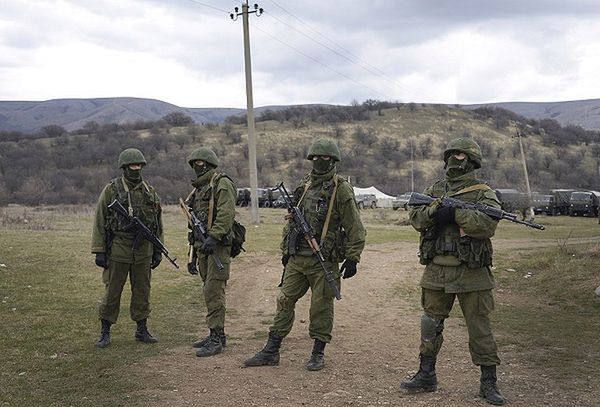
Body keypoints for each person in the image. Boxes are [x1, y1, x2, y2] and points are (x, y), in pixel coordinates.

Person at [243, 137, 366, 371]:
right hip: (298, 258)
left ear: (334, 160)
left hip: (324, 260)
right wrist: (285, 251)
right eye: (316, 157)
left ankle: (318, 353)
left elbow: (355, 227)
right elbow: (291, 222)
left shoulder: (341, 189)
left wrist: (353, 257)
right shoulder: (305, 184)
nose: (319, 161)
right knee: (284, 300)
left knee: (321, 307)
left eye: (325, 158)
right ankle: (271, 350)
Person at [402, 138, 505, 405]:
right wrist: (437, 209)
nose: (454, 160)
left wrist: (457, 214)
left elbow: (485, 226)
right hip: (437, 269)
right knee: (430, 324)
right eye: (451, 155)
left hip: (472, 271)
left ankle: (488, 382)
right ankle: (426, 374)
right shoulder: (434, 189)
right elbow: (416, 218)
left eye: (460, 156)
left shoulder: (483, 193)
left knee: (479, 327)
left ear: (471, 160)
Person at [91, 148, 163, 348]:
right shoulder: (112, 189)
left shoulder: (149, 191)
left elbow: (157, 222)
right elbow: (100, 219)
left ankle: (142, 329)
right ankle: (105, 331)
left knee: (142, 290)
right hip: (119, 249)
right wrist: (100, 250)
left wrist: (158, 250)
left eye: (139, 165)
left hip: (144, 250)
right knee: (113, 291)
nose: (136, 168)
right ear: (124, 167)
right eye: (132, 165)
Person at [185, 147, 237, 357]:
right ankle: (218, 333)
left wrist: (214, 236)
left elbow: (226, 213)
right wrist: (192, 254)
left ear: (208, 164)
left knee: (213, 292)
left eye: (200, 163)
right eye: (194, 163)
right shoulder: (198, 189)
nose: (197, 167)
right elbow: (193, 225)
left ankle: (215, 339)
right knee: (209, 291)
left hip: (217, 249)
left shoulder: (221, 183)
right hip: (202, 249)